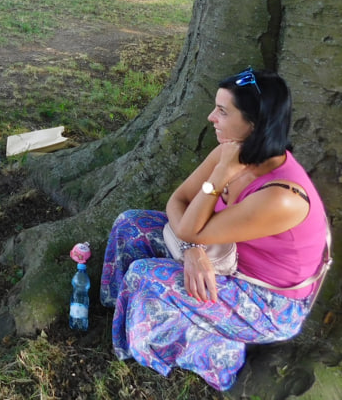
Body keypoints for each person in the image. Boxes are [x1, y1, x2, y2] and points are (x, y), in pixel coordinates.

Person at [100, 68, 329, 392]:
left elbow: (191, 226)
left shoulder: (281, 197)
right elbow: (178, 201)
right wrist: (192, 248)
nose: (211, 117)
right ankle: (120, 309)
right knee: (130, 224)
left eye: (222, 111)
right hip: (223, 256)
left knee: (146, 274)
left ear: (255, 123)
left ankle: (214, 354)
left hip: (268, 301)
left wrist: (219, 178)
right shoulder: (230, 151)